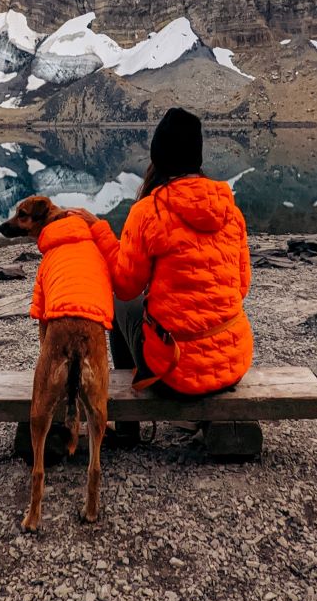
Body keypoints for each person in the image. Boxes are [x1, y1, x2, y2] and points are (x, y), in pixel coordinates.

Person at [73, 107, 252, 405]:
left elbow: (126, 285)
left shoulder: (148, 211)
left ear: (159, 157)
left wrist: (100, 231)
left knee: (121, 302)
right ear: (198, 157)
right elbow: (241, 287)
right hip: (232, 363)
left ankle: (126, 420)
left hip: (175, 371)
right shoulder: (229, 210)